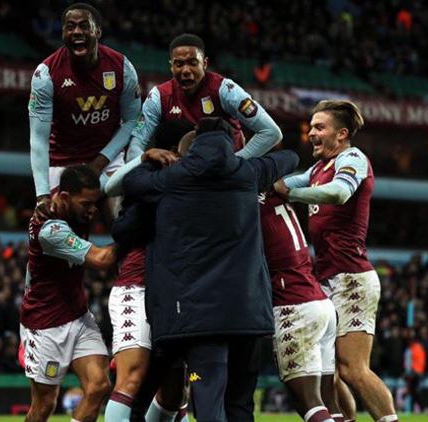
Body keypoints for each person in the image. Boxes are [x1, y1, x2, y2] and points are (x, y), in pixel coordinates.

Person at [123, 117, 299, 421]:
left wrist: (149, 160)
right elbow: (290, 157)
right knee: (241, 405)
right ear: (230, 141)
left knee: (207, 403)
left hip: (199, 314)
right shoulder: (248, 172)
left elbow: (131, 184)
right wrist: (243, 160)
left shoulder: (173, 178)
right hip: (247, 311)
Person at [277, 100, 398, 422]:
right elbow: (282, 185)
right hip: (327, 278)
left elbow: (339, 193)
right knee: (327, 370)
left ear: (341, 134)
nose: (311, 132)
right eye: (311, 127)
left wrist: (291, 194)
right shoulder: (316, 170)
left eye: (319, 127)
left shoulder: (353, 158)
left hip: (353, 278)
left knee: (352, 368)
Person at [103, 122, 188, 422]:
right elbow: (115, 206)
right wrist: (142, 162)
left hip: (173, 294)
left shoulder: (191, 186)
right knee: (132, 376)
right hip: (135, 287)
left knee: (175, 389)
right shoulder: (145, 183)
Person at [20, 165, 116, 422]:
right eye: (86, 203)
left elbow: (113, 176)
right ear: (64, 197)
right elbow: (103, 259)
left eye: (95, 203)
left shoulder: (70, 206)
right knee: (44, 406)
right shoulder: (50, 230)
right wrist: (136, 231)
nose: (93, 209)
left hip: (78, 315)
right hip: (46, 324)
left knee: (99, 386)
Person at [28, 3, 141, 219]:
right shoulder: (45, 75)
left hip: (108, 157)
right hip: (63, 161)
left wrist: (99, 162)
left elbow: (132, 121)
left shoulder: (122, 67)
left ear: (97, 31)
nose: (77, 32)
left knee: (124, 219)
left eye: (84, 26)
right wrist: (41, 195)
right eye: (70, 27)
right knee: (55, 227)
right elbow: (38, 138)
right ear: (63, 32)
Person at [126, 33, 281, 161]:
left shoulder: (226, 90)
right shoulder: (158, 96)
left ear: (205, 64)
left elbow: (271, 132)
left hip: (227, 174)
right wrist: (145, 159)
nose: (186, 70)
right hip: (183, 172)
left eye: (193, 63)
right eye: (179, 64)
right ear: (171, 66)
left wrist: (235, 162)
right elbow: (136, 144)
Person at [259, 187, 340, 422]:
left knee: (306, 401)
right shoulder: (276, 196)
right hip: (321, 303)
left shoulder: (249, 204)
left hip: (294, 305)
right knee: (327, 398)